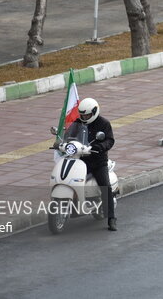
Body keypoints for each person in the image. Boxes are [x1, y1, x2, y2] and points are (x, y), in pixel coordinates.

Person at [66, 97, 117, 231]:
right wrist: (61, 143)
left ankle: (111, 218)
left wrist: (101, 147)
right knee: (70, 179)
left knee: (105, 186)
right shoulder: (78, 123)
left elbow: (110, 140)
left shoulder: (104, 123)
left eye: (87, 115)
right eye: (82, 115)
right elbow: (68, 135)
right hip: (81, 160)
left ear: (94, 112)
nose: (84, 117)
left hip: (98, 161)